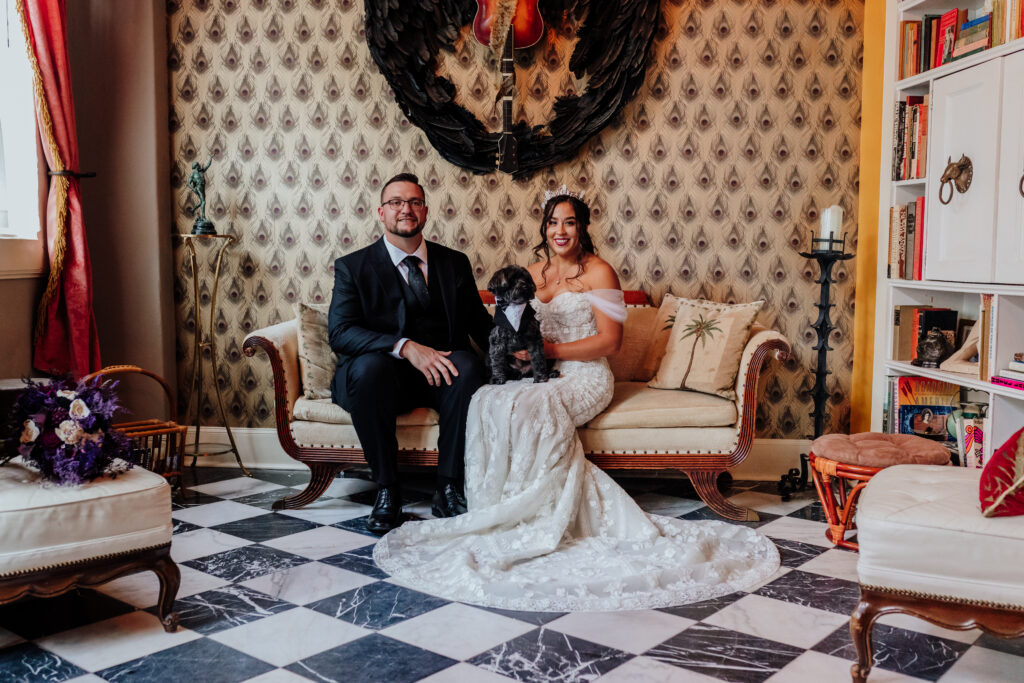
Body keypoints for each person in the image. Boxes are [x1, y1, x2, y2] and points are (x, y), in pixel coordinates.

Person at [374, 187, 780, 611]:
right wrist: (512, 356)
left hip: (585, 375)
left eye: (569, 222)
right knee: (486, 400)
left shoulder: (600, 272)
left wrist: (548, 353)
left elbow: (611, 341)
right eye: (552, 222)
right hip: (537, 372)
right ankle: (493, 506)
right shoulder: (531, 273)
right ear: (544, 228)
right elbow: (508, 326)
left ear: (583, 227)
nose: (560, 230)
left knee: (534, 405)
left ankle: (538, 515)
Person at [328, 173, 493, 534]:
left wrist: (518, 348)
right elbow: (340, 333)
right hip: (382, 377)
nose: (406, 209)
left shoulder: (454, 262)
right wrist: (404, 347)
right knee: (369, 369)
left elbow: (479, 324)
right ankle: (387, 490)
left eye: (415, 202)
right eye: (397, 203)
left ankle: (448, 487)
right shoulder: (353, 267)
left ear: (426, 211)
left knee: (466, 365)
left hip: (440, 375)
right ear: (381, 213)